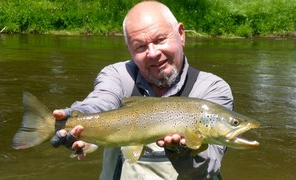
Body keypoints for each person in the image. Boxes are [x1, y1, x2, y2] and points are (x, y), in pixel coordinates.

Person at [51, 1, 233, 179]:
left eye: (160, 40)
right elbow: (101, 102)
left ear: (181, 34)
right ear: (128, 49)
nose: (153, 53)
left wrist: (182, 152)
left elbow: (209, 168)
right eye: (140, 46)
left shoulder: (211, 89)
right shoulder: (117, 76)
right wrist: (77, 117)